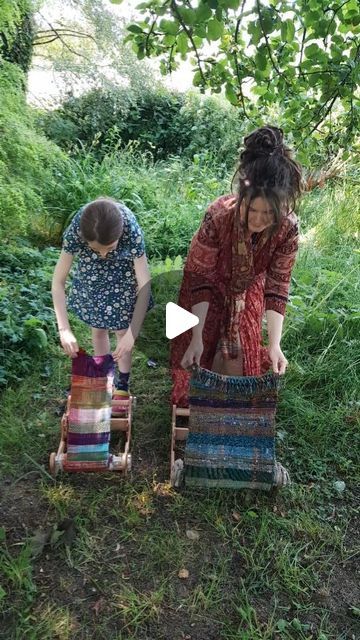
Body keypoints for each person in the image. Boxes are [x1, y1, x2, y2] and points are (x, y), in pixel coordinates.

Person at [171, 125, 303, 407]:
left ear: (281, 208)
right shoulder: (218, 216)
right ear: (241, 199)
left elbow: (277, 287)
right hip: (205, 287)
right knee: (196, 356)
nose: (257, 220)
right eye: (251, 210)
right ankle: (192, 404)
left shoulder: (288, 230)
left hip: (248, 288)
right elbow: (200, 278)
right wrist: (196, 337)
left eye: (268, 214)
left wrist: (275, 344)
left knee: (240, 365)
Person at [52, 197, 152, 407]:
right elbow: (58, 282)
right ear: (84, 238)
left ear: (119, 235)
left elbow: (144, 284)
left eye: (109, 247)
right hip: (92, 278)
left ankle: (122, 384)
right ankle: (103, 376)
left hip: (122, 278)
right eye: (96, 249)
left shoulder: (131, 229)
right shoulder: (77, 229)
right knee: (97, 330)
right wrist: (64, 329)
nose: (104, 254)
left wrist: (132, 333)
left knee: (122, 332)